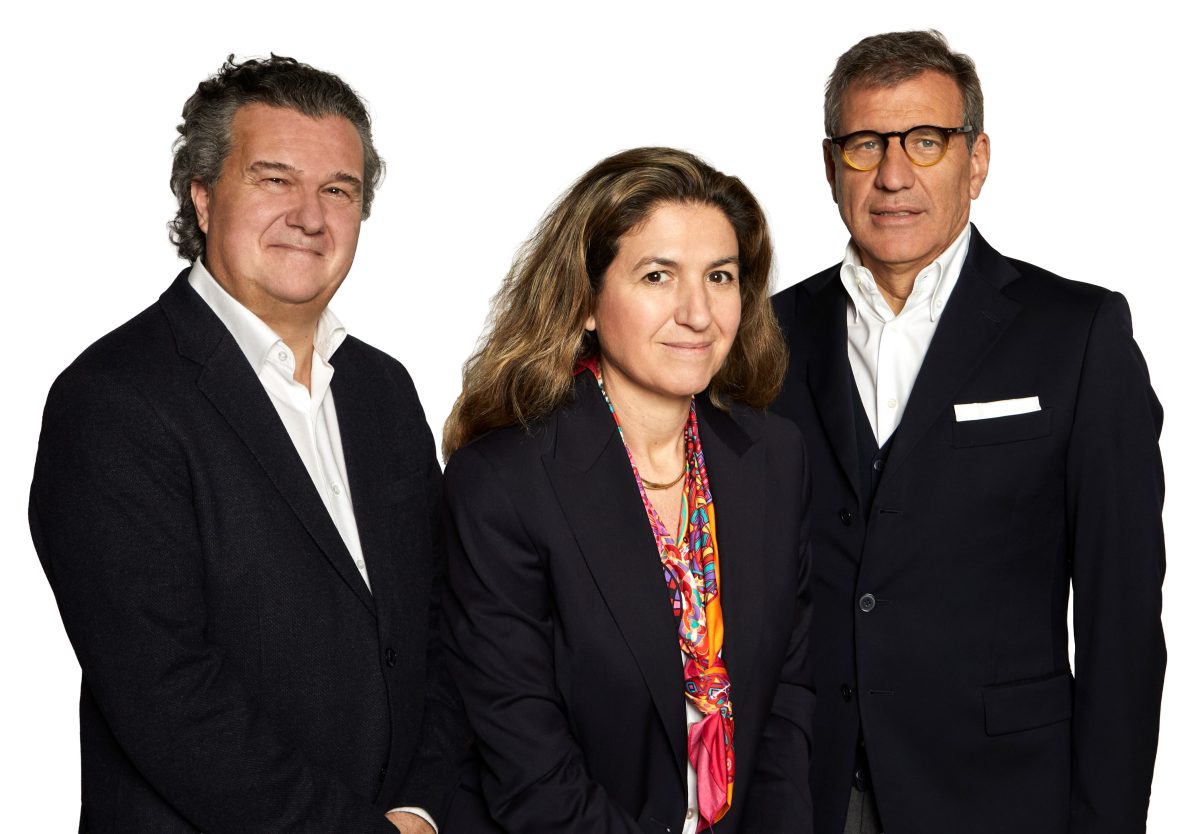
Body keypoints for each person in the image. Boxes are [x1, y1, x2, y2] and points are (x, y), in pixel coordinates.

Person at [29, 55, 462, 834]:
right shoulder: (112, 400)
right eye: (274, 179)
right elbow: (164, 693)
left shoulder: (384, 391)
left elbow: (437, 629)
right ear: (202, 197)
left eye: (339, 190)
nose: (310, 216)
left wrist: (423, 810)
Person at [770, 30, 1166, 834]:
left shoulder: (1077, 333)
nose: (893, 175)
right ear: (830, 165)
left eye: (926, 141)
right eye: (865, 145)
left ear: (976, 161)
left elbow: (1121, 619)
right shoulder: (764, 336)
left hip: (1002, 795)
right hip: (804, 794)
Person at [438, 147, 815, 834]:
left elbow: (788, 700)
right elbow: (529, 765)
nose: (697, 313)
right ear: (586, 300)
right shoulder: (503, 482)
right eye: (657, 276)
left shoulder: (774, 458)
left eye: (720, 276)